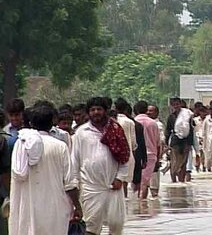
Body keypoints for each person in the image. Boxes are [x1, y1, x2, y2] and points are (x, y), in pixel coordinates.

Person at [9, 106, 82, 235]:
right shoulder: (60, 146)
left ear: (31, 123)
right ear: (52, 123)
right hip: (55, 210)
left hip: (27, 208)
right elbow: (70, 183)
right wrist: (78, 206)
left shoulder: (21, 145)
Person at [71, 97, 130, 235]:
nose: (96, 112)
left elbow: (125, 156)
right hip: (91, 186)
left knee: (116, 225)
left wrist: (120, 178)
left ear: (105, 111)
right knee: (91, 225)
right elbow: (75, 160)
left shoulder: (116, 129)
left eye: (99, 109)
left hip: (113, 185)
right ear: (88, 113)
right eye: (92, 110)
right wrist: (74, 184)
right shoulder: (81, 132)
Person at [134, 101, 160, 199]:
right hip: (151, 155)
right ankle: (142, 204)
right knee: (145, 182)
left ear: (135, 110)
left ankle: (138, 204)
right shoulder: (153, 123)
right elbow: (158, 143)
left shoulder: (133, 122)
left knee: (136, 180)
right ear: (146, 110)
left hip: (136, 154)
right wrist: (158, 158)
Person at [165, 97, 193, 182]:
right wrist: (166, 144)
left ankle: (181, 181)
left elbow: (191, 130)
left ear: (180, 104)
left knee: (183, 163)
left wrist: (190, 144)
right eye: (174, 104)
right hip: (175, 142)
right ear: (172, 106)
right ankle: (174, 182)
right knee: (174, 162)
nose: (176, 106)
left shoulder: (187, 116)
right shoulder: (171, 117)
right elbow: (168, 130)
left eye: (177, 104)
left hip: (185, 141)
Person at [114, 98, 137, 198]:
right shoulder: (130, 122)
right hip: (128, 155)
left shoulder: (112, 121)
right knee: (125, 183)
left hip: (115, 155)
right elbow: (133, 143)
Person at [146, 105, 165, 197]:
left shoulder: (158, 125)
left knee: (154, 188)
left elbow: (160, 143)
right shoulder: (145, 123)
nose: (148, 113)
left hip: (153, 157)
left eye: (151, 111)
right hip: (146, 157)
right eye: (147, 111)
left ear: (157, 113)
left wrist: (158, 158)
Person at [193, 105, 208, 172]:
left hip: (205, 138)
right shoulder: (195, 120)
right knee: (197, 153)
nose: (203, 113)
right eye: (202, 112)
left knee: (204, 154)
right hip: (197, 138)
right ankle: (197, 167)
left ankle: (204, 167)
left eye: (205, 112)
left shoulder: (208, 120)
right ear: (200, 112)